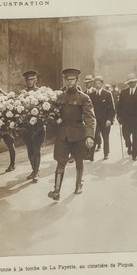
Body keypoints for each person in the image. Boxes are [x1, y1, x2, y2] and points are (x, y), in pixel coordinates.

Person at [48, 68, 96, 201]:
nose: (69, 82)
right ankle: (56, 190)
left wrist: (89, 135)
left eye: (72, 79)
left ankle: (78, 184)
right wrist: (54, 119)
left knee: (79, 160)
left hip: (78, 134)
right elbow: (53, 114)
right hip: (63, 134)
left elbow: (89, 118)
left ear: (77, 80)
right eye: (67, 80)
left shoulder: (84, 98)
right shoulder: (60, 97)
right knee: (60, 161)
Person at [21, 70, 46, 182]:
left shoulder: (41, 93)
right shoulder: (23, 93)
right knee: (29, 150)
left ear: (36, 79)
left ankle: (36, 172)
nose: (30, 81)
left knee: (36, 150)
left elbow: (46, 110)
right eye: (28, 80)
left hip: (38, 127)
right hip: (27, 128)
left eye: (32, 79)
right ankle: (34, 169)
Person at [116, 73, 137, 161]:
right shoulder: (123, 92)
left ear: (136, 82)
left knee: (136, 137)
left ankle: (134, 154)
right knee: (125, 135)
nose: (132, 84)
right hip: (126, 119)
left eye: (133, 82)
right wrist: (118, 116)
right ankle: (129, 145)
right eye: (130, 82)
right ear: (128, 83)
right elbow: (119, 106)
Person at [92, 75, 115, 160]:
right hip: (95, 120)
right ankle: (91, 155)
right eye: (96, 83)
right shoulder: (91, 95)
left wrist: (110, 119)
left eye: (99, 83)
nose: (97, 85)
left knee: (105, 138)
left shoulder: (107, 94)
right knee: (94, 137)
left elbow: (112, 109)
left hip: (105, 121)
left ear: (102, 84)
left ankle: (106, 153)